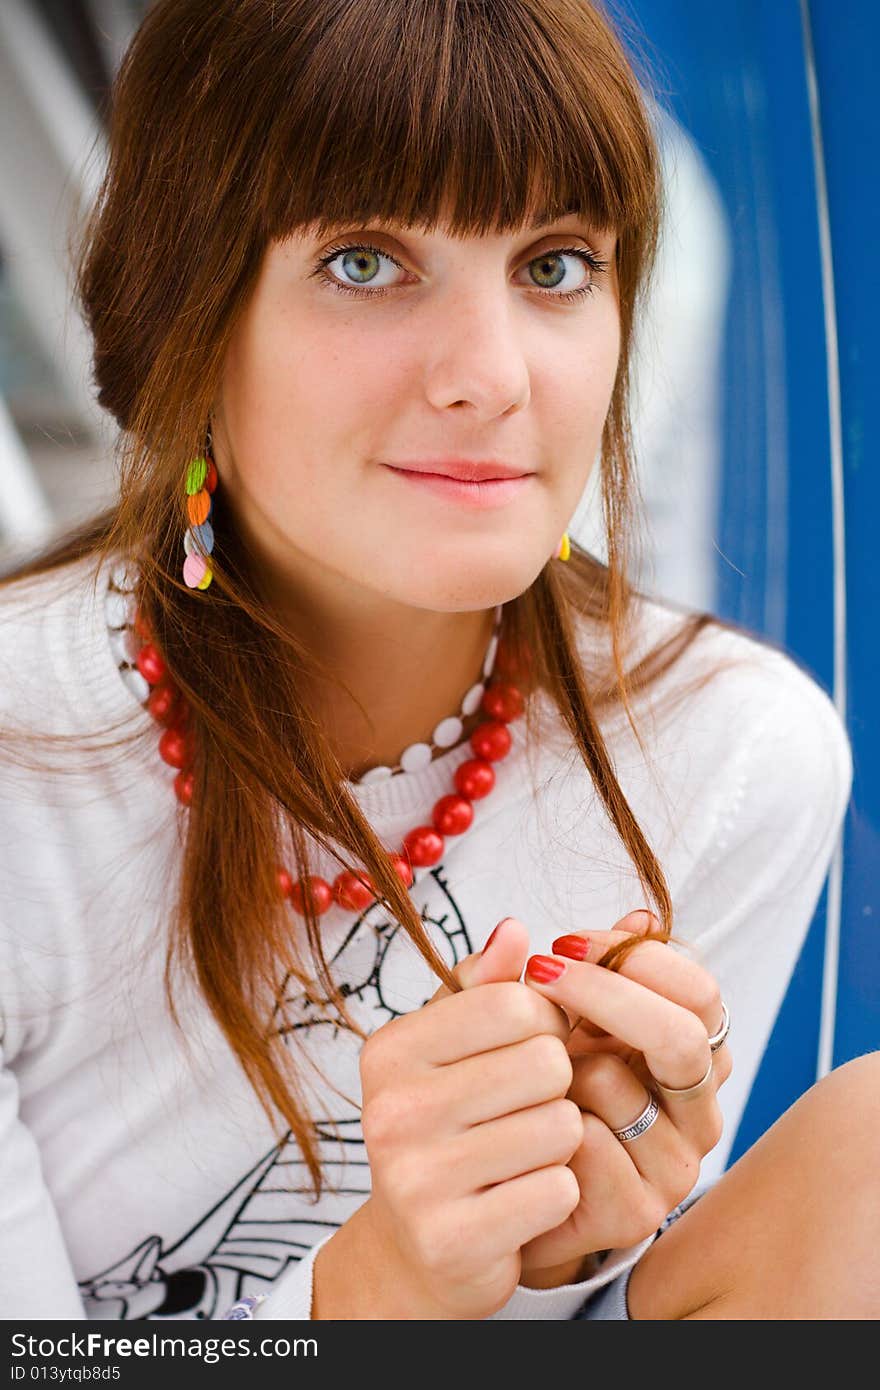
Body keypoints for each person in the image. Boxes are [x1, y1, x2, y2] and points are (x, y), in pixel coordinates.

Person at [0, 0, 872, 1323]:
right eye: (365, 261)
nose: (490, 375)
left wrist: (576, 1252)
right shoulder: (27, 751)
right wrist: (373, 1291)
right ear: (188, 308)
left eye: (556, 266)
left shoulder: (730, 752)